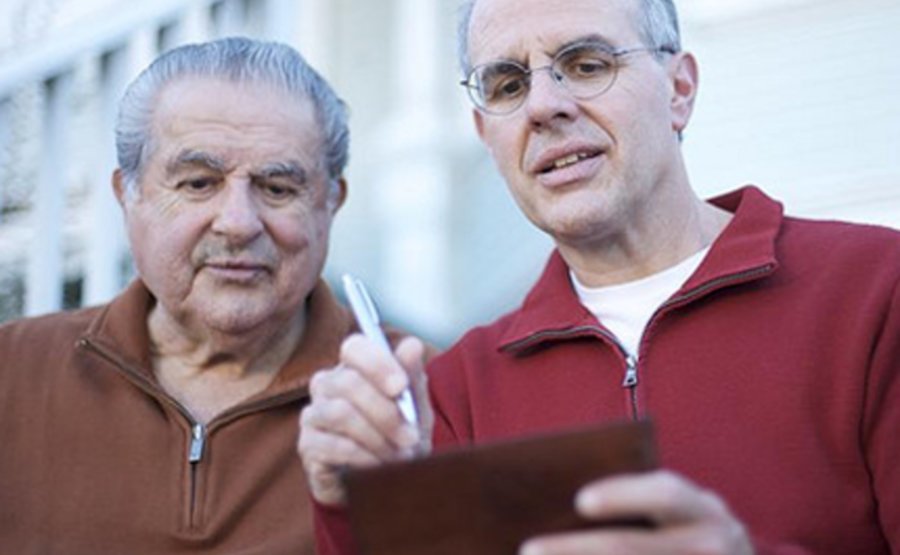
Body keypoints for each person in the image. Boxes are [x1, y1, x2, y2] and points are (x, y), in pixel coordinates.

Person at [298, 0, 900, 553]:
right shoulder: (454, 393)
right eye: (507, 84)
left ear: (679, 89)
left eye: (586, 65)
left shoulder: (876, 290)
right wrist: (352, 506)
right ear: (487, 136)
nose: (542, 106)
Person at [0, 37, 367, 554]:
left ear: (331, 204)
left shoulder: (417, 399)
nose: (238, 223)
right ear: (129, 197)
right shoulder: (12, 374)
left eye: (278, 188)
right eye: (198, 183)